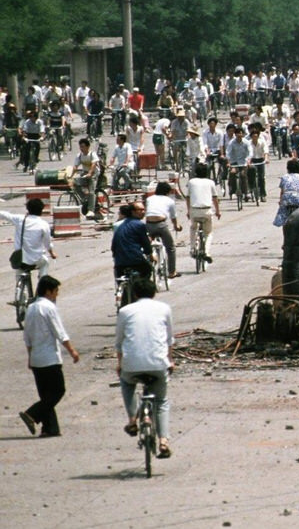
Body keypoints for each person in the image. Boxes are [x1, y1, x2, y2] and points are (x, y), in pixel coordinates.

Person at [115, 276, 174, 458]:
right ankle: (163, 441)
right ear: (154, 292)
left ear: (134, 294)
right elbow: (169, 339)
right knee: (161, 402)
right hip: (157, 364)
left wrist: (119, 364)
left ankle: (132, 419)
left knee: (126, 382)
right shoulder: (164, 309)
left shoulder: (125, 311)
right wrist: (170, 360)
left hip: (131, 365)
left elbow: (119, 342)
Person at [19, 275, 79, 438]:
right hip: (50, 358)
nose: (56, 295)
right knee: (58, 391)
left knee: (46, 395)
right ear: (48, 291)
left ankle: (50, 428)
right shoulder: (49, 308)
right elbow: (60, 332)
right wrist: (72, 351)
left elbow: (27, 337)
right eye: (55, 291)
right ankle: (32, 414)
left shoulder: (31, 308)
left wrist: (30, 357)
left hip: (37, 358)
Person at [4, 198, 56, 280]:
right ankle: (41, 286)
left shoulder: (20, 219)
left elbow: (5, 215)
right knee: (45, 262)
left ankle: (19, 289)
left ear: (27, 209)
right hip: (36, 260)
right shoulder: (43, 224)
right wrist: (52, 253)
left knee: (19, 271)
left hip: (20, 259)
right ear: (41, 210)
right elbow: (47, 243)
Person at [144, 181, 182, 278]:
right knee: (171, 248)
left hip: (148, 225)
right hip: (161, 225)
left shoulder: (149, 199)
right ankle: (172, 271)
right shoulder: (169, 201)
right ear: (168, 192)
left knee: (146, 247)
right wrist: (176, 226)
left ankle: (148, 263)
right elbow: (173, 217)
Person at [184, 163, 220, 265]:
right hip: (207, 210)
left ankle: (192, 249)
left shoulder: (191, 182)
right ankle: (207, 253)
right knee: (208, 233)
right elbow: (215, 198)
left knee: (193, 228)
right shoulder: (210, 182)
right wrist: (217, 211)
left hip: (194, 210)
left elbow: (188, 198)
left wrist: (188, 211)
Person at [111, 201, 153, 283]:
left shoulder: (121, 226)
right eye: (140, 210)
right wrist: (150, 255)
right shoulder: (139, 225)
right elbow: (146, 244)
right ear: (133, 212)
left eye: (144, 210)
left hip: (119, 262)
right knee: (147, 270)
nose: (143, 212)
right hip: (134, 259)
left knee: (121, 282)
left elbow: (113, 246)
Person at [273, 158, 299, 228]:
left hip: (286, 197)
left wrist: (280, 201)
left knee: (283, 212)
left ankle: (282, 223)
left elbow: (282, 191)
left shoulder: (284, 177)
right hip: (297, 197)